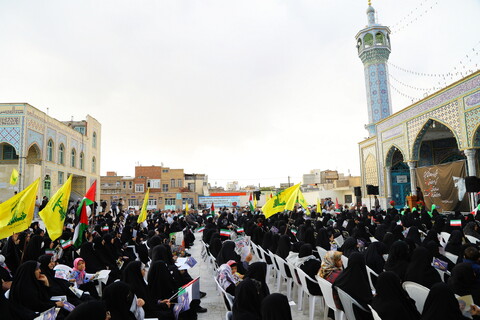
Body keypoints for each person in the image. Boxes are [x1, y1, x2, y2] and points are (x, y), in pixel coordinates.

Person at [333, 252, 372, 318]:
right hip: (360, 313)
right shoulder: (359, 281)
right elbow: (367, 302)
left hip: (347, 310)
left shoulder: (342, 277)